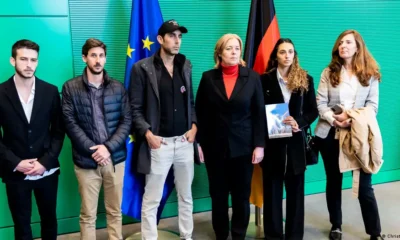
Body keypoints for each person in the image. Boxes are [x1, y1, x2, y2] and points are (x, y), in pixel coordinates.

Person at [129, 19, 199, 240]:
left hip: (184, 142)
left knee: (186, 196)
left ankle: (187, 236)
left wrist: (195, 127)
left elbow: (191, 102)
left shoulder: (185, 65)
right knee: (152, 198)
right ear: (160, 39)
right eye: (172, 36)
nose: (177, 41)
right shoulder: (142, 68)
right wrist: (148, 135)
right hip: (159, 144)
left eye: (180, 36)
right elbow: (134, 108)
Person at [314, 29, 383, 240]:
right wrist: (335, 119)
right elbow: (320, 103)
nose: (343, 46)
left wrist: (351, 119)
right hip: (330, 134)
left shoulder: (370, 74)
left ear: (357, 47)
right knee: (333, 181)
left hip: (359, 135)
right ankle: (336, 225)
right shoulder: (328, 72)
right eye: (341, 43)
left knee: (365, 188)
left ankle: (375, 232)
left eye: (348, 43)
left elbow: (372, 107)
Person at [195, 33, 265, 240]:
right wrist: (198, 143)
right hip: (214, 148)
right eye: (228, 48)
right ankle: (221, 234)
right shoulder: (208, 78)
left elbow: (259, 113)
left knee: (241, 197)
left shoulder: (252, 77)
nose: (234, 52)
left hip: (244, 148)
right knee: (218, 196)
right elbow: (200, 113)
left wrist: (260, 145)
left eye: (237, 48)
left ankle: (238, 235)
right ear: (219, 53)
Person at [62, 38, 131, 240]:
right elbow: (70, 123)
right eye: (93, 55)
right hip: (86, 161)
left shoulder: (118, 88)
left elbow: (126, 121)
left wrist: (107, 148)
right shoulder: (70, 88)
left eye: (101, 55)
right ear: (85, 58)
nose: (98, 60)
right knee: (88, 215)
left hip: (115, 159)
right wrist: (95, 150)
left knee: (114, 211)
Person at [0, 39, 65, 240]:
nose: (29, 65)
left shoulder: (50, 91)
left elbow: (58, 131)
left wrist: (44, 162)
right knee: (22, 224)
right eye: (24, 59)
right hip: (15, 171)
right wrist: (16, 163)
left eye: (33, 60)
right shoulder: (0, 93)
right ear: (13, 60)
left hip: (46, 169)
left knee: (49, 220)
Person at [260, 38, 318, 240]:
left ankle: (294, 236)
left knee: (295, 197)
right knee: (272, 196)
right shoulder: (264, 80)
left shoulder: (306, 79)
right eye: (283, 52)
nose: (287, 56)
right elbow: (258, 111)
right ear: (276, 55)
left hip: (296, 147)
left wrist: (299, 122)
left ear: (295, 55)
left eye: (290, 52)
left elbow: (313, 110)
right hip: (272, 146)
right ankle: (273, 236)